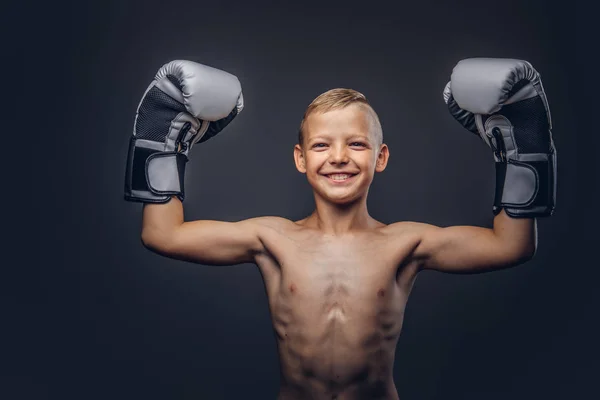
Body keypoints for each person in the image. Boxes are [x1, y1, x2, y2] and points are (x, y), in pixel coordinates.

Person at [124, 58, 556, 399]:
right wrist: (163, 134)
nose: (338, 157)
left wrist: (522, 143)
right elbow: (162, 234)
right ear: (300, 159)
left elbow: (511, 245)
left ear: (380, 157)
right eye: (321, 145)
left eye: (356, 143)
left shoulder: (406, 242)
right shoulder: (273, 239)